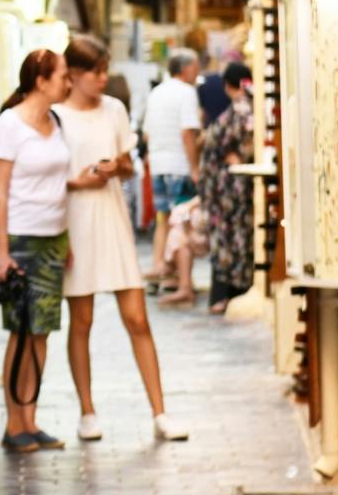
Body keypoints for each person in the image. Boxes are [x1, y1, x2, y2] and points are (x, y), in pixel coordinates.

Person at [54, 36, 188, 443]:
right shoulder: (56, 116)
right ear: (74, 74)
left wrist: (116, 167)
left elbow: (131, 164)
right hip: (75, 218)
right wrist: (78, 180)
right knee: (82, 320)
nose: (101, 78)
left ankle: (160, 411)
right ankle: (87, 411)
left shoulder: (113, 108)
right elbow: (47, 176)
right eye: (95, 71)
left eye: (103, 70)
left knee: (137, 317)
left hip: (112, 217)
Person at [0, 47, 83, 454]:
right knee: (21, 331)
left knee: (42, 332)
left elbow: (60, 187)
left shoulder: (56, 121)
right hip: (23, 241)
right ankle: (14, 422)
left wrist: (68, 240)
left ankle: (31, 417)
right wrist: (1, 252)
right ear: (41, 81)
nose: (69, 82)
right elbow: (2, 192)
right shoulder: (10, 125)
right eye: (63, 75)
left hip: (53, 238)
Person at [139, 49, 202, 286]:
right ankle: (176, 276)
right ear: (185, 69)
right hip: (179, 165)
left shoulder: (156, 93)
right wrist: (195, 167)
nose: (197, 73)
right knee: (181, 222)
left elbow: (146, 134)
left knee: (163, 218)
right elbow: (187, 132)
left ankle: (160, 266)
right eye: (195, 68)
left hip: (158, 164)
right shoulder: (187, 93)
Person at [199, 61, 257, 314]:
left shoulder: (241, 106)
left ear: (227, 85)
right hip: (230, 186)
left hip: (227, 187)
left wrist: (241, 156)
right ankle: (230, 291)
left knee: (226, 239)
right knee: (235, 237)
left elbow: (241, 141)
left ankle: (224, 294)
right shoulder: (250, 103)